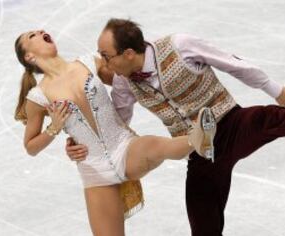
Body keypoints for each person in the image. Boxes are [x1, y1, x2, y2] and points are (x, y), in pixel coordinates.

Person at [66, 19, 285, 236]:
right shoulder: (123, 81)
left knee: (267, 119)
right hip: (200, 150)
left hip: (229, 121)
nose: (102, 64)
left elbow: (234, 64)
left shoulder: (179, 45)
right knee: (202, 219)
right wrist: (79, 140)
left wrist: (275, 89)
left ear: (128, 53)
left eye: (106, 56)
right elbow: (115, 122)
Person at [14, 29, 217, 236]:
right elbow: (30, 146)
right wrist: (54, 127)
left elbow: (131, 80)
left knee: (154, 146)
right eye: (32, 36)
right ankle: (196, 139)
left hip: (124, 146)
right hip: (94, 171)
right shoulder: (37, 97)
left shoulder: (89, 63)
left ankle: (197, 139)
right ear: (29, 56)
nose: (40, 31)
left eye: (39, 30)